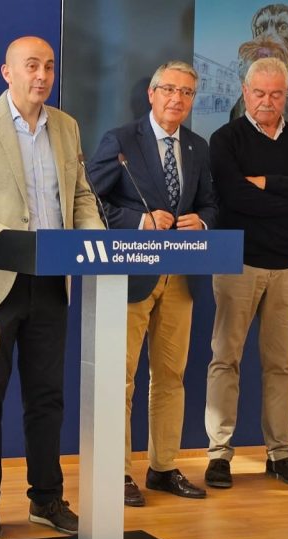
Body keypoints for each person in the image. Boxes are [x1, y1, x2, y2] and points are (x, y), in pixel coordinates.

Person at [0, 36, 104, 539]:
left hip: (53, 281)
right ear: (6, 72)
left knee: (47, 397)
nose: (42, 75)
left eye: (49, 66)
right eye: (31, 66)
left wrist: (93, 241)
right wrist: (10, 244)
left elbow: (80, 196)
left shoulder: (67, 126)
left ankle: (46, 499)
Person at [88, 61, 218, 507]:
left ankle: (163, 467)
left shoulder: (198, 148)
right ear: (151, 93)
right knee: (120, 379)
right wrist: (138, 221)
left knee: (171, 376)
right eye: (168, 90)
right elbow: (89, 199)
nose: (176, 99)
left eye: (186, 93)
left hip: (180, 278)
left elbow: (212, 205)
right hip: (130, 275)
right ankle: (117, 473)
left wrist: (201, 220)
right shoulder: (122, 141)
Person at [203, 56, 288, 489]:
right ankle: (219, 455)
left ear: (286, 96)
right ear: (245, 93)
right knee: (226, 360)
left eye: (276, 94)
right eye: (259, 93)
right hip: (236, 262)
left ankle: (280, 454)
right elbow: (235, 198)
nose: (267, 101)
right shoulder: (225, 139)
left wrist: (268, 182)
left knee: (281, 364)